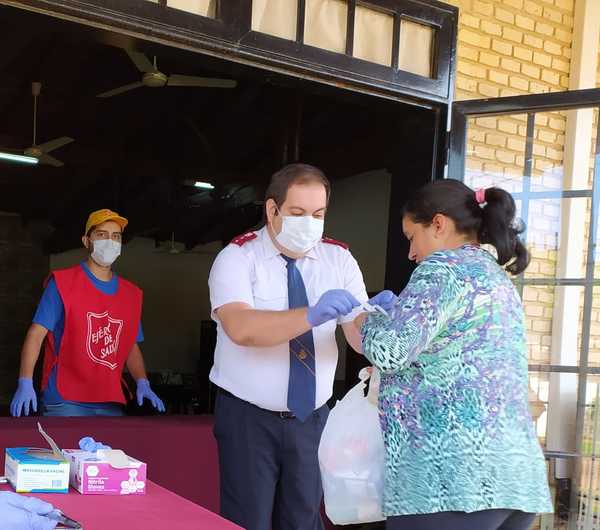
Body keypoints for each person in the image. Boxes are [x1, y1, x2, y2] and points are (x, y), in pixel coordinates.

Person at [354, 179, 553, 530]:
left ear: (439, 224)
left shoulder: (441, 268)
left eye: (411, 237)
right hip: (515, 481)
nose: (411, 253)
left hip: (449, 484)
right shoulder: (497, 278)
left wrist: (363, 318)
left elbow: (389, 349)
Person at [208, 163, 396, 530]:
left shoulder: (338, 258)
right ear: (272, 210)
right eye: (297, 213)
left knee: (304, 519)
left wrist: (378, 323)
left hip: (312, 418)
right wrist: (309, 315)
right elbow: (241, 327)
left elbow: (358, 337)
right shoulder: (237, 258)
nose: (309, 222)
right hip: (249, 417)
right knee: (247, 521)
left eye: (318, 214)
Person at [10, 209, 165, 417]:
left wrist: (142, 382)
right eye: (101, 235)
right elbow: (36, 335)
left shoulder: (131, 294)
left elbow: (130, 346)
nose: (109, 241)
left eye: (116, 236)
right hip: (65, 400)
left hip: (109, 400)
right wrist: (25, 381)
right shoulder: (63, 283)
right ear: (86, 241)